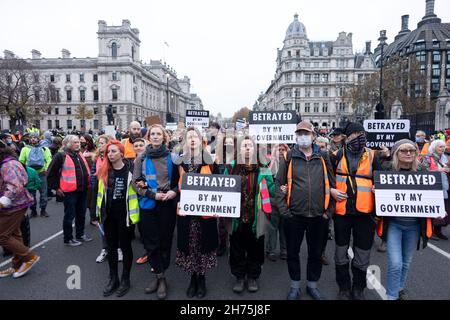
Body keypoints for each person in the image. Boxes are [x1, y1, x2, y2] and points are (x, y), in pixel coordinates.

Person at [276, 121, 334, 300]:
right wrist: (286, 213)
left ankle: (312, 285)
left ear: (313, 136)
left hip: (318, 216)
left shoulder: (323, 157)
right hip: (294, 216)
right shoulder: (289, 157)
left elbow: (332, 185)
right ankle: (295, 286)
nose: (303, 137)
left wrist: (328, 213)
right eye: (299, 133)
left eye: (306, 133)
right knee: (292, 253)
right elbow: (279, 185)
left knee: (315, 253)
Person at [330, 122, 383, 300]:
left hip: (365, 214)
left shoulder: (372, 155)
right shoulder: (336, 155)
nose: (358, 137)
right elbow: (328, 180)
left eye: (361, 133)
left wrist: (378, 200)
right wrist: (331, 190)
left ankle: (358, 288)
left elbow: (381, 180)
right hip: (342, 213)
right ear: (347, 137)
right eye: (354, 134)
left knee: (362, 253)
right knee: (340, 253)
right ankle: (344, 287)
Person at [375, 139, 433, 300]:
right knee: (395, 263)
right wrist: (376, 190)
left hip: (414, 225)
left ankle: (399, 288)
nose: (408, 153)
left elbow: (433, 195)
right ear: (396, 153)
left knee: (406, 262)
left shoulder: (422, 171)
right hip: (394, 224)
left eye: (412, 151)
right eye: (404, 150)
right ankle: (392, 295)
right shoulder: (387, 170)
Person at [133, 124, 179, 300]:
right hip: (149, 204)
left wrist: (174, 191)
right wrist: (153, 195)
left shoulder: (174, 158)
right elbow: (136, 184)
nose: (156, 136)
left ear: (164, 137)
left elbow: (179, 181)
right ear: (148, 137)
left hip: (167, 204)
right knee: (151, 243)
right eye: (153, 134)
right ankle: (159, 277)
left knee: (165, 242)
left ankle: (161, 275)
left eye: (159, 134)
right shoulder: (141, 159)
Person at [226, 135, 274, 294]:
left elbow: (272, 190)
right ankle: (239, 277)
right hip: (237, 217)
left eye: (250, 145)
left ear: (255, 149)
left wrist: (278, 189)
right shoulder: (231, 167)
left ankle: (253, 276)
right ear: (239, 149)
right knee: (237, 248)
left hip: (257, 216)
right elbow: (222, 189)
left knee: (256, 249)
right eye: (244, 145)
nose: (247, 148)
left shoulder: (264, 167)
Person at [175, 127, 220, 299]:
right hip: (187, 213)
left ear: (201, 140)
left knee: (203, 245)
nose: (192, 139)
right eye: (189, 136)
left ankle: (202, 279)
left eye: (195, 136)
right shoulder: (179, 161)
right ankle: (193, 278)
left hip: (205, 213)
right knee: (191, 245)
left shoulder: (209, 160)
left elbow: (219, 184)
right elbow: (174, 184)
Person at [95, 140, 140, 297]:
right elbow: (97, 192)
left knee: (126, 246)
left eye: (114, 151)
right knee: (111, 247)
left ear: (121, 153)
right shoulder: (105, 170)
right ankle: (113, 278)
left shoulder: (131, 170)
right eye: (108, 152)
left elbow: (140, 188)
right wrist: (95, 214)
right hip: (109, 216)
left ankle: (125, 279)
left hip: (125, 215)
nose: (110, 154)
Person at [0, 141, 40, 278]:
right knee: (15, 235)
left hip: (14, 205)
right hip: (13, 204)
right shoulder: (6, 163)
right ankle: (16, 265)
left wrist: (3, 200)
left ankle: (30, 257)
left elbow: (15, 186)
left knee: (3, 236)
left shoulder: (8, 164)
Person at [47, 135, 92, 246]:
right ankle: (68, 238)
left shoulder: (79, 154)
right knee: (69, 216)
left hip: (82, 190)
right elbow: (50, 173)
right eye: (75, 142)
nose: (78, 144)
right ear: (67, 144)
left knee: (81, 214)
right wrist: (56, 188)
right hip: (69, 192)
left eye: (78, 142)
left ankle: (80, 234)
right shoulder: (60, 156)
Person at [421, 139, 450, 240]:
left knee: (444, 210)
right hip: (432, 189)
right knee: (434, 210)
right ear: (434, 148)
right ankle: (431, 231)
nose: (443, 148)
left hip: (444, 188)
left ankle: (438, 231)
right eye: (440, 146)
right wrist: (438, 170)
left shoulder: (446, 158)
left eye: (443, 146)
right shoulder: (427, 158)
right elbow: (423, 170)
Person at [90, 135, 113, 263]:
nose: (100, 145)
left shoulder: (115, 158)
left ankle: (117, 248)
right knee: (103, 223)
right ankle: (105, 249)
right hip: (100, 195)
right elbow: (93, 176)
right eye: (99, 143)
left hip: (112, 194)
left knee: (114, 224)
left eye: (103, 143)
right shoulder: (97, 159)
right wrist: (95, 188)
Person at [18, 132, 52, 217]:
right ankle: (33, 211)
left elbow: (49, 160)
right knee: (31, 194)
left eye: (35, 137)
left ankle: (43, 210)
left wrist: (46, 170)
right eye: (31, 137)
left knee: (43, 193)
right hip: (30, 175)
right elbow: (21, 161)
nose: (33, 139)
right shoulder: (25, 149)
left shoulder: (45, 149)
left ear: (38, 139)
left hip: (42, 173)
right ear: (29, 139)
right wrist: (24, 172)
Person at [265, 144, 288, 261]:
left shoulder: (291, 164)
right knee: (272, 226)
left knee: (284, 227)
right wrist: (278, 190)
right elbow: (266, 182)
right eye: (278, 149)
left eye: (283, 150)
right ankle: (271, 250)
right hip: (273, 199)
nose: (280, 152)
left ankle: (284, 250)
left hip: (286, 201)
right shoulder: (268, 164)